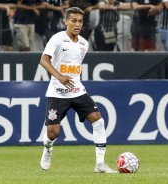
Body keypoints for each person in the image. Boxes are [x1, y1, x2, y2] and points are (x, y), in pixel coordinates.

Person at [39, 7, 117, 173]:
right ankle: (47, 149)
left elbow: (75, 66)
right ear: (65, 21)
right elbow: (44, 61)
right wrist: (59, 76)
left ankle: (100, 164)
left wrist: (70, 79)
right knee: (53, 134)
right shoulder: (57, 39)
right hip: (57, 92)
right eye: (73, 20)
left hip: (77, 90)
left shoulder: (84, 43)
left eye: (80, 21)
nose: (77, 24)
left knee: (98, 120)